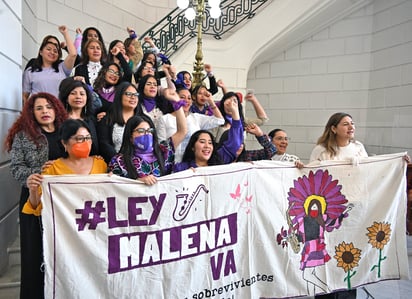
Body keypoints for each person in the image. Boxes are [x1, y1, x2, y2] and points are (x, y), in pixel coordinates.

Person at [5, 92, 68, 299]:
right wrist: (36, 174)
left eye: (49, 107)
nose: (45, 111)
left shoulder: (66, 131)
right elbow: (16, 168)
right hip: (33, 200)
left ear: (56, 108)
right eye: (39, 108)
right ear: (31, 112)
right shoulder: (23, 135)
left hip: (64, 202)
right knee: (35, 253)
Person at [309, 112, 365, 299]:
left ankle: (348, 293)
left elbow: (372, 171)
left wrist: (398, 164)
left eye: (352, 123)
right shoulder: (321, 149)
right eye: (345, 124)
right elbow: (311, 175)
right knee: (329, 252)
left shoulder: (358, 148)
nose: (351, 127)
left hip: (353, 208)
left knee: (349, 253)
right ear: (333, 128)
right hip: (329, 211)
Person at [24, 119, 107, 215]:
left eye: (88, 138)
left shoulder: (101, 164)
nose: (86, 142)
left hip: (93, 224)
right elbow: (37, 207)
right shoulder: (52, 169)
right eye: (80, 139)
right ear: (64, 143)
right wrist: (33, 190)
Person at [108, 107, 187, 185]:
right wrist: (138, 181)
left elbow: (182, 131)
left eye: (149, 131)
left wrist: (177, 103)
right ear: (130, 137)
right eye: (141, 131)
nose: (147, 134)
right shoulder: (119, 161)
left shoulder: (164, 151)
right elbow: (115, 187)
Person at [157, 87, 224, 162]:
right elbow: (161, 145)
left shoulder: (196, 117)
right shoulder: (164, 119)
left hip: (192, 164)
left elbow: (220, 120)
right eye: (182, 97)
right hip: (172, 162)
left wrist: (211, 102)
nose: (186, 101)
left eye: (189, 98)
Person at [22, 26, 77, 103]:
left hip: (59, 111)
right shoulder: (30, 71)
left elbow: (73, 54)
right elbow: (25, 96)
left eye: (55, 51)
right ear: (41, 52)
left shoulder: (62, 67)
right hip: (38, 111)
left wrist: (65, 33)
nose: (52, 52)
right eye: (48, 49)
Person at [97, 82, 141, 163]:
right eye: (128, 94)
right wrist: (120, 162)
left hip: (142, 165)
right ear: (119, 96)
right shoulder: (107, 119)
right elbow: (104, 145)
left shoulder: (144, 120)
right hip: (116, 165)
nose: (133, 97)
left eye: (136, 94)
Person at [58, 77, 99, 155]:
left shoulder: (91, 120)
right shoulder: (60, 120)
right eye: (73, 93)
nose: (78, 97)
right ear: (66, 98)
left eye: (82, 94)